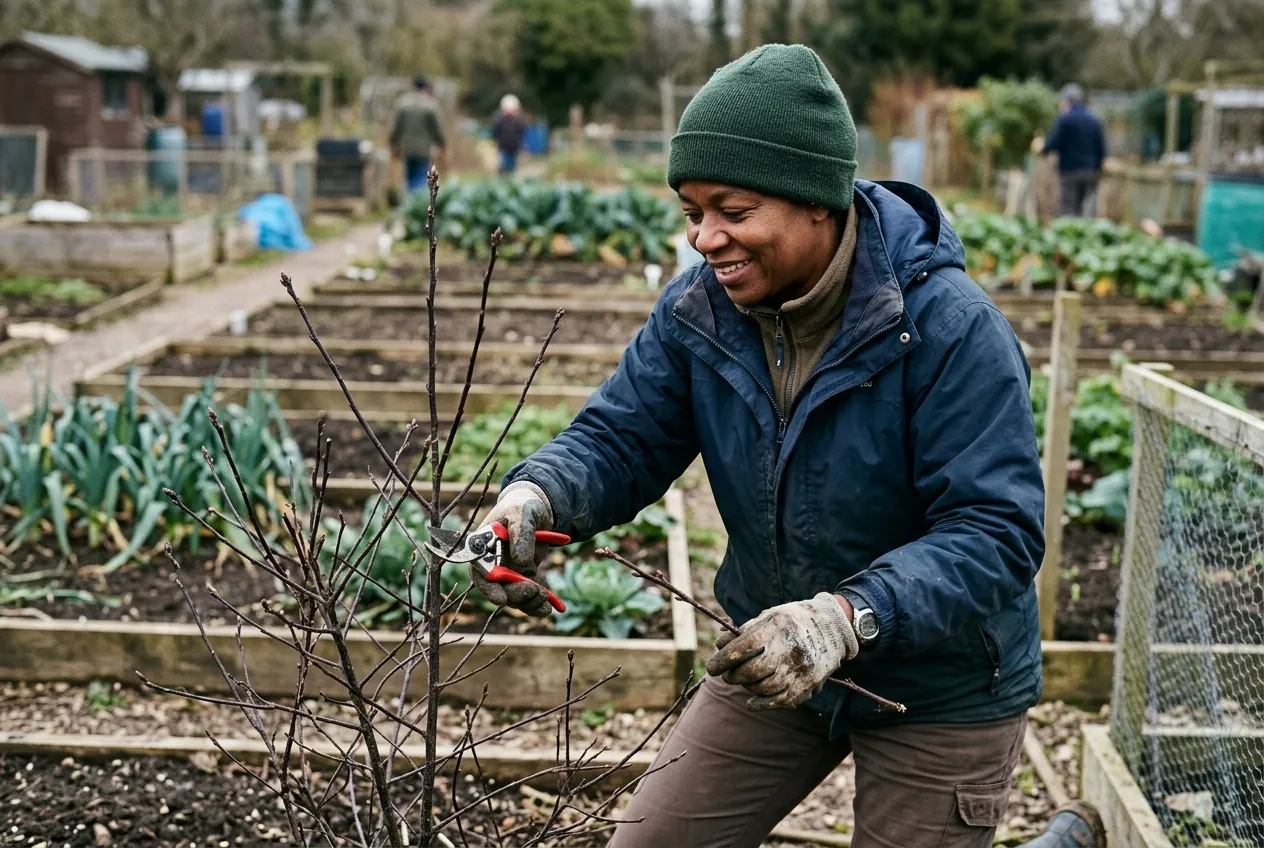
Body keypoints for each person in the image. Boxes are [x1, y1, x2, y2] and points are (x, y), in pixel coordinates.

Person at [464, 45, 1057, 847]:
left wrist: (847, 619)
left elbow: (996, 530)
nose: (705, 239)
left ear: (816, 199)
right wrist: (533, 499)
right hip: (773, 658)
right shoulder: (700, 313)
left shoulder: (950, 330)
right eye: (691, 213)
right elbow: (621, 436)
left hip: (940, 686)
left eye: (732, 212)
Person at [1040, 84, 1106, 218]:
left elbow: (1054, 144)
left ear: (1067, 101)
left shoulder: (1065, 119)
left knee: (1069, 208)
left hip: (1070, 170)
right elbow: (1101, 148)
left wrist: (1042, 148)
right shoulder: (1095, 120)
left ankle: (1070, 235)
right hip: (1090, 171)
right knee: (1087, 208)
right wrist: (1098, 168)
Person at [390, 76, 445, 199]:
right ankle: (417, 202)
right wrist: (441, 144)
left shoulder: (403, 104)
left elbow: (396, 128)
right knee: (421, 176)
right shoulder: (430, 105)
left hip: (407, 148)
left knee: (410, 176)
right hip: (423, 149)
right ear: (425, 88)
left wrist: (393, 144)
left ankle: (411, 201)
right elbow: (437, 129)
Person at [491, 93, 527, 176]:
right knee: (503, 167)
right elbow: (495, 133)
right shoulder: (500, 121)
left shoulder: (518, 121)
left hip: (514, 149)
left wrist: (522, 147)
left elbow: (521, 133)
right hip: (503, 148)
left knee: (512, 168)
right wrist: (495, 143)